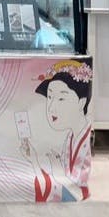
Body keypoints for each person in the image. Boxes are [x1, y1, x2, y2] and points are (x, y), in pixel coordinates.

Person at [20, 59, 93, 202]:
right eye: (49, 97)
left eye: (61, 99)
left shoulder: (82, 139)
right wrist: (34, 159)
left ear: (82, 102)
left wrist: (56, 170)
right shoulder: (71, 137)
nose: (51, 107)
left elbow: (75, 193)